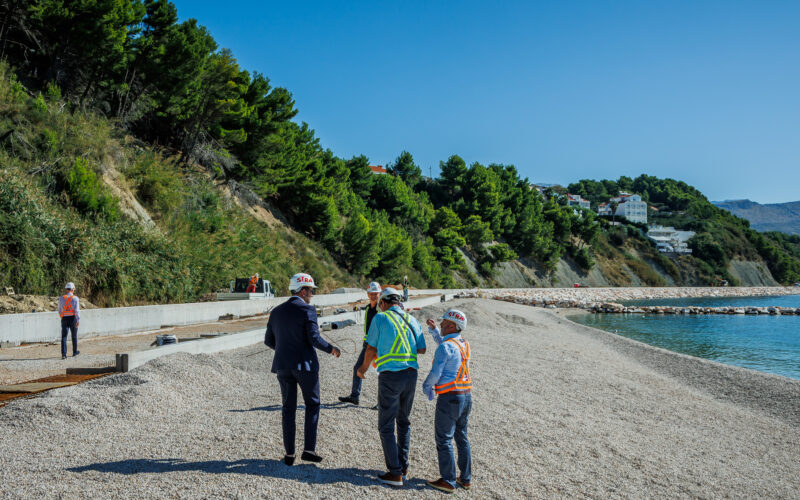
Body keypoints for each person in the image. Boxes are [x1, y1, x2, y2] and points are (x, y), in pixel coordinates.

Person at [264, 273, 341, 466]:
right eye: (311, 290)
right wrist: (331, 349)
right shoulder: (308, 310)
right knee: (312, 405)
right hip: (305, 366)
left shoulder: (276, 311)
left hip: (282, 366)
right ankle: (308, 450)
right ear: (303, 290)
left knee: (288, 408)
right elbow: (314, 338)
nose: (312, 294)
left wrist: (285, 350)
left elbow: (268, 341)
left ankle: (289, 454)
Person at [357, 287, 426, 487]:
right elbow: (422, 348)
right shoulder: (411, 319)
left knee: (386, 424)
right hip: (411, 374)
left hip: (391, 375)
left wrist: (362, 369)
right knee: (403, 421)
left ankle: (394, 473)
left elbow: (371, 348)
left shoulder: (381, 318)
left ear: (384, 302)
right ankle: (403, 467)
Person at [422, 309, 473, 493]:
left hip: (450, 397)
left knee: (444, 439)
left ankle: (448, 481)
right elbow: (446, 345)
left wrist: (426, 387)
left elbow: (436, 372)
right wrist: (435, 331)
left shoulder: (446, 347)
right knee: (462, 437)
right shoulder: (463, 344)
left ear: (452, 325)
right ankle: (465, 479)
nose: (441, 324)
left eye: (444, 322)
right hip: (466, 395)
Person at [338, 281, 382, 406]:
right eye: (371, 293)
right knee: (357, 368)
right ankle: (354, 396)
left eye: (375, 293)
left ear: (379, 294)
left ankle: (382, 402)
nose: (373, 296)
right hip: (367, 344)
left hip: (378, 345)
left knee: (381, 373)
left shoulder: (381, 310)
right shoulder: (368, 308)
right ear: (368, 294)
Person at [57, 282, 80, 360]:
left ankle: (64, 354)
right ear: (73, 289)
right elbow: (77, 311)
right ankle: (74, 352)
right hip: (73, 318)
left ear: (66, 289)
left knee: (64, 336)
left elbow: (59, 309)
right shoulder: (75, 298)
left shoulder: (61, 298)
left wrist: (62, 316)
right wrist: (78, 320)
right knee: (74, 336)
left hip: (64, 319)